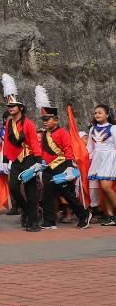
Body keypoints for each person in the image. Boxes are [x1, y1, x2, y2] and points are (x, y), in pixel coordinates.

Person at [36, 86, 90, 230]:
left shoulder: (62, 133)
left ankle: (83, 215)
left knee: (67, 194)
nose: (45, 122)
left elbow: (67, 149)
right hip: (48, 167)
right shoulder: (45, 134)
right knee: (47, 195)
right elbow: (43, 151)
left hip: (61, 166)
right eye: (44, 120)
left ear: (56, 120)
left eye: (47, 119)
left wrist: (68, 167)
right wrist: (41, 162)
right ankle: (49, 221)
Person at [1, 74, 44, 232]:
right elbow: (7, 141)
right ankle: (28, 212)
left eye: (13, 106)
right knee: (13, 188)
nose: (10, 108)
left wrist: (38, 160)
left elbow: (33, 141)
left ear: (20, 108)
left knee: (31, 191)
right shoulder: (9, 124)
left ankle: (33, 221)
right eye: (9, 106)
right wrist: (5, 160)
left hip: (29, 159)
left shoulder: (28, 123)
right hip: (16, 161)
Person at [88, 104, 116, 225]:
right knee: (103, 190)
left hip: (110, 158)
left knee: (106, 187)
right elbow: (90, 147)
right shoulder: (92, 129)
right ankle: (110, 216)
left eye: (100, 112)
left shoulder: (113, 128)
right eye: (95, 113)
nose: (97, 115)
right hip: (97, 160)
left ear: (107, 114)